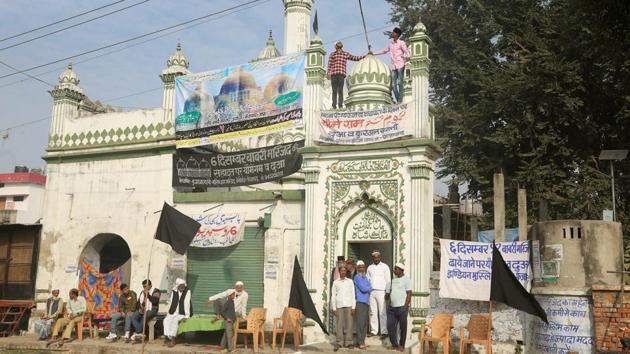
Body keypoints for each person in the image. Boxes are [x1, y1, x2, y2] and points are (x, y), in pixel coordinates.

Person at [373, 27, 410, 103]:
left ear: (397, 34)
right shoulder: (390, 44)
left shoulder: (401, 43)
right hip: (393, 66)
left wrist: (405, 58)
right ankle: (399, 100)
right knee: (393, 85)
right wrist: (373, 53)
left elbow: (407, 52)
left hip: (400, 64)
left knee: (400, 83)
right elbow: (384, 51)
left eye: (393, 32)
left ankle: (399, 101)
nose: (392, 33)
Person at [326, 41, 366, 109]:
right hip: (334, 74)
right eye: (338, 43)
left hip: (341, 74)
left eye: (340, 43)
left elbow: (354, 58)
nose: (339, 43)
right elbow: (329, 65)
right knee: (334, 91)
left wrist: (364, 57)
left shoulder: (345, 54)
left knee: (340, 90)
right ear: (335, 46)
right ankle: (334, 106)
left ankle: (340, 105)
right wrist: (328, 73)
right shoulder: (332, 54)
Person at [387, 263, 412, 351]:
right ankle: (394, 344)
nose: (394, 270)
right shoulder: (393, 280)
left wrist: (405, 306)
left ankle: (401, 345)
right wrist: (389, 303)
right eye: (394, 269)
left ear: (401, 270)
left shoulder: (407, 280)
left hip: (402, 307)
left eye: (396, 269)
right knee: (390, 326)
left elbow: (409, 293)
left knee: (403, 327)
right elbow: (391, 292)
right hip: (392, 308)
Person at [330, 266, 355, 351]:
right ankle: (339, 342)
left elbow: (353, 294)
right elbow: (333, 295)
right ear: (339, 272)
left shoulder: (350, 282)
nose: (343, 272)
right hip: (339, 305)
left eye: (344, 271)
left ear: (346, 272)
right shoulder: (335, 282)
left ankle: (349, 342)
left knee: (349, 324)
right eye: (341, 271)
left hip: (348, 305)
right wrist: (333, 308)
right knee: (339, 324)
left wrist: (353, 307)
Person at [367, 250, 391, 337]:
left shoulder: (385, 267)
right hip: (372, 292)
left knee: (382, 312)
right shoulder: (369, 267)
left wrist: (387, 292)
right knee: (372, 312)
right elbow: (367, 280)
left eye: (378, 257)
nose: (376, 259)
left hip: (381, 291)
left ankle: (384, 331)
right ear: (373, 258)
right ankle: (374, 331)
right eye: (374, 257)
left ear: (380, 257)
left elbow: (388, 280)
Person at [163, 278, 192, 348]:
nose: (182, 287)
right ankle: (169, 337)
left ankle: (173, 341)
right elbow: (171, 302)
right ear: (177, 286)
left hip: (182, 313)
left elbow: (187, 303)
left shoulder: (187, 291)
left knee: (174, 322)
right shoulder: (174, 291)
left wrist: (186, 316)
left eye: (183, 285)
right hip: (173, 312)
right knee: (166, 320)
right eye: (181, 285)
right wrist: (168, 313)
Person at [353, 261, 372, 350]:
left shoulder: (365, 277)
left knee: (364, 323)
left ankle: (362, 341)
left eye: (363, 267)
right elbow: (364, 288)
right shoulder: (357, 277)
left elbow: (370, 286)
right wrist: (367, 288)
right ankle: (360, 342)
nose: (362, 269)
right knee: (360, 323)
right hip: (360, 302)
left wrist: (368, 288)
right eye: (360, 267)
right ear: (357, 268)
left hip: (366, 302)